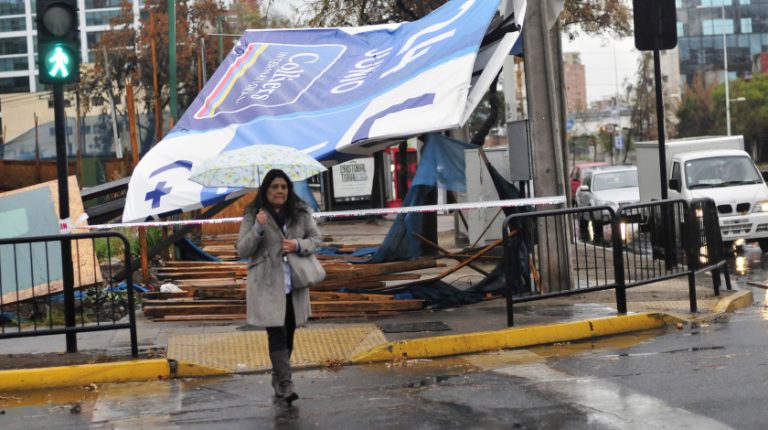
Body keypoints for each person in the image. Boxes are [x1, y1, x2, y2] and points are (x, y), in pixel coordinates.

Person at [236, 169, 322, 405]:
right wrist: (258, 228)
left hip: (294, 281)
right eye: (274, 186)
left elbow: (316, 239)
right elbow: (243, 249)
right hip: (266, 283)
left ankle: (278, 379)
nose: (280, 191)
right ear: (265, 190)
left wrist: (297, 244)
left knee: (290, 332)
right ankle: (286, 383)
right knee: (276, 332)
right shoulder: (254, 213)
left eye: (283, 186)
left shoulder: (301, 211)